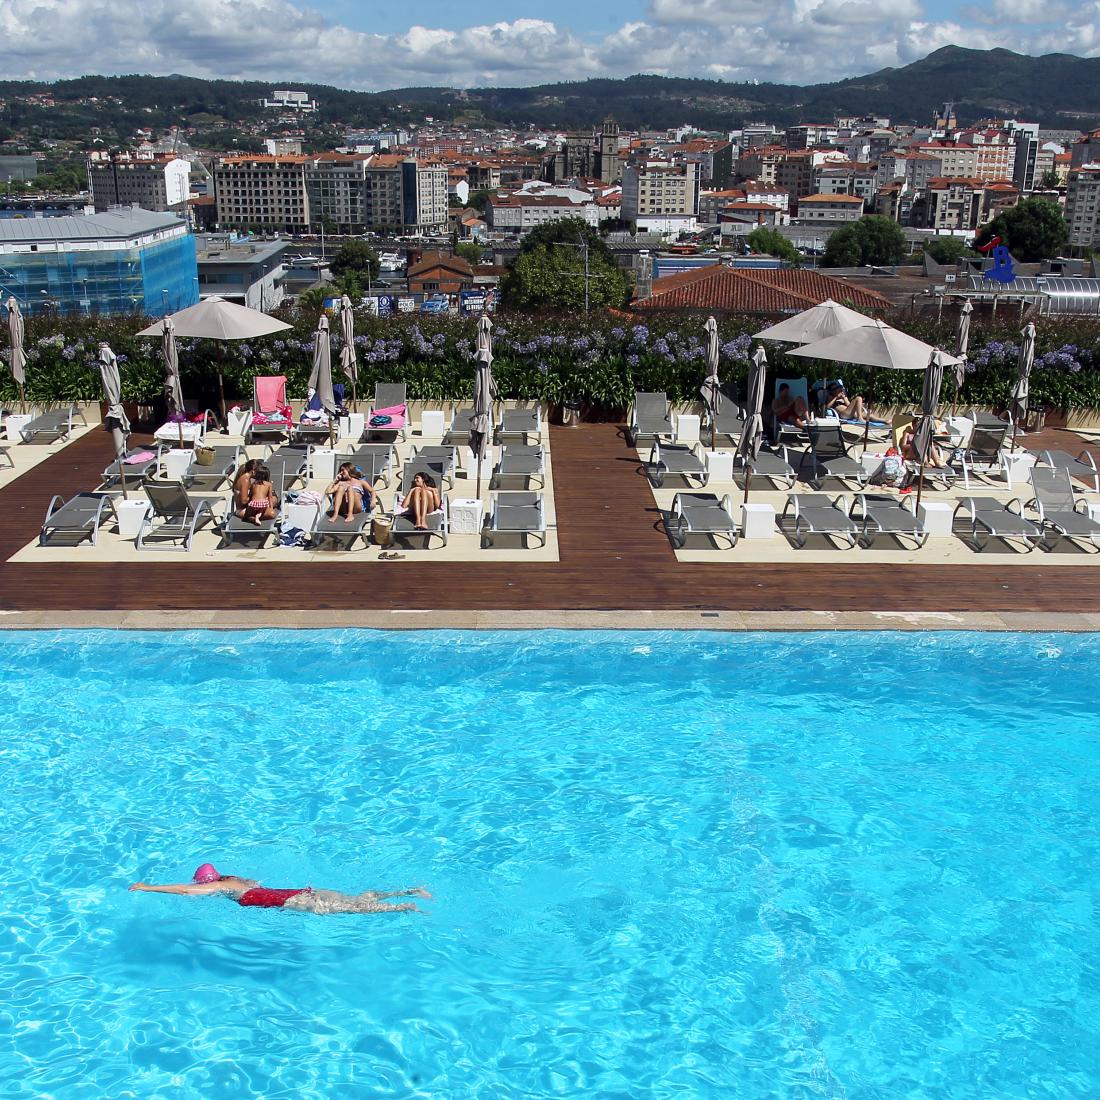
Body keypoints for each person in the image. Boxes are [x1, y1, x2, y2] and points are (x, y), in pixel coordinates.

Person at [129, 863, 431, 915]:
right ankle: (409, 891)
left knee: (354, 910)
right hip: (302, 891)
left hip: (296, 902)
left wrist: (148, 887)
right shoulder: (238, 881)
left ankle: (405, 907)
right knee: (355, 900)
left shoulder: (221, 888)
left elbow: (183, 891)